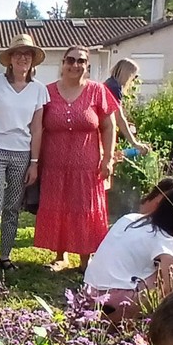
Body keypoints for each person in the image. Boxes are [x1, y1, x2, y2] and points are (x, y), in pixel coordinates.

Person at [0, 34, 49, 277]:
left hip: (22, 152)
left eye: (27, 54)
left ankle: (5, 255)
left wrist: (34, 162)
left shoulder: (38, 90)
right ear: (10, 59)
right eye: (18, 54)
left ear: (32, 61)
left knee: (13, 206)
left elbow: (37, 128)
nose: (22, 58)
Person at [35, 46, 115, 273]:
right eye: (70, 60)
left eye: (81, 61)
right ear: (62, 63)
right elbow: (37, 127)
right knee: (58, 206)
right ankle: (61, 256)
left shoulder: (97, 91)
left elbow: (109, 126)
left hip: (87, 165)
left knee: (84, 208)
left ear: (86, 66)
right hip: (54, 164)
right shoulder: (47, 92)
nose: (75, 65)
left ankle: (85, 258)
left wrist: (107, 159)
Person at [84, 187, 173, 322]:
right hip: (121, 301)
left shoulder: (129, 219)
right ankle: (134, 318)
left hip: (90, 291)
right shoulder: (167, 241)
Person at [103, 58, 145, 149]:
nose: (133, 80)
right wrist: (134, 143)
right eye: (134, 76)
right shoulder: (114, 87)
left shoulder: (109, 83)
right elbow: (119, 117)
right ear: (127, 74)